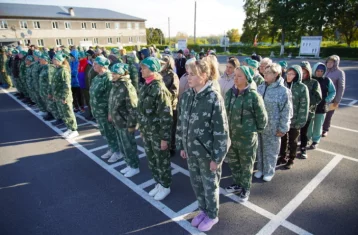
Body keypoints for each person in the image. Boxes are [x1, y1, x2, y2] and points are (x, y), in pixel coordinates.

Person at [176, 59, 230, 232]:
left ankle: (212, 215)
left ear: (204, 76)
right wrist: (182, 146)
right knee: (197, 184)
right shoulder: (187, 96)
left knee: (210, 186)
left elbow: (222, 132)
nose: (188, 77)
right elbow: (181, 123)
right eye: (188, 74)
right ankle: (203, 210)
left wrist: (217, 158)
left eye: (193, 74)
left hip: (208, 155)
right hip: (192, 152)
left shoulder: (214, 98)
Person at [225, 66, 267, 201]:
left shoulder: (254, 96)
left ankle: (245, 188)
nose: (235, 79)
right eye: (235, 76)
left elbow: (262, 119)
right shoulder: (229, 94)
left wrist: (252, 131)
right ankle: (237, 183)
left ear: (247, 79)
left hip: (247, 139)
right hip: (231, 137)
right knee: (234, 163)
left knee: (246, 165)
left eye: (239, 76)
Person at [137, 57, 173, 201]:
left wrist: (165, 138)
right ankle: (158, 182)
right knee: (152, 160)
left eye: (144, 68)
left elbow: (166, 116)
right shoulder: (146, 85)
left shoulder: (159, 88)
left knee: (161, 161)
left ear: (152, 69)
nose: (141, 70)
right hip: (148, 132)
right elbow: (142, 111)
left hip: (158, 134)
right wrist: (142, 130)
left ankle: (165, 185)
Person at [256, 63, 292, 181]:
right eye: (264, 73)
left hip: (273, 127)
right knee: (260, 149)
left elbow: (287, 111)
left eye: (268, 73)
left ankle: (269, 171)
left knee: (271, 151)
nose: (264, 75)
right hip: (260, 126)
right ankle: (260, 169)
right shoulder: (261, 87)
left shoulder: (283, 91)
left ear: (276, 74)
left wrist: (283, 128)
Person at [108, 63, 140, 177]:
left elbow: (133, 108)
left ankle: (134, 166)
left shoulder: (126, 86)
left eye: (115, 73)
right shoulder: (115, 85)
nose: (112, 75)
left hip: (126, 122)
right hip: (118, 122)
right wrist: (110, 113)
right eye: (112, 72)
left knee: (129, 146)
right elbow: (112, 101)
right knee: (122, 145)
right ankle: (129, 164)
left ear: (122, 73)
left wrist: (131, 125)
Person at [90, 56, 122, 163]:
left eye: (96, 64)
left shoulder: (108, 78)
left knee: (110, 132)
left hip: (104, 111)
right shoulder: (97, 77)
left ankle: (118, 152)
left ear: (103, 66)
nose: (93, 65)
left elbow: (111, 97)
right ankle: (112, 148)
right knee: (105, 132)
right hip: (98, 111)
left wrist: (110, 113)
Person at [277, 65, 309, 169]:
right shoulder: (283, 85)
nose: (289, 76)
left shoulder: (302, 88)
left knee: (293, 140)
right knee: (282, 138)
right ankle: (282, 156)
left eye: (292, 74)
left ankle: (291, 158)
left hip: (295, 120)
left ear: (297, 75)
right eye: (288, 73)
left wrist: (300, 121)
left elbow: (304, 106)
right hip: (283, 119)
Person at [308, 63, 336, 149]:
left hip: (322, 106)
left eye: (321, 71)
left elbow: (333, 91)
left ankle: (315, 141)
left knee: (318, 124)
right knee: (309, 124)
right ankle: (306, 139)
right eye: (318, 70)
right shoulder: (310, 79)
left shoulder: (327, 80)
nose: (319, 72)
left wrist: (327, 100)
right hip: (310, 106)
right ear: (314, 70)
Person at [51, 53, 79, 139]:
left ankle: (74, 130)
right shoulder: (58, 69)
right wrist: (55, 95)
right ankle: (69, 128)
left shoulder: (64, 70)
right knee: (63, 113)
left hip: (64, 96)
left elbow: (66, 85)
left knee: (68, 113)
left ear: (59, 61)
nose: (53, 61)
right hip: (59, 95)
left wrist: (65, 97)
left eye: (55, 59)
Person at [299, 61, 322, 158]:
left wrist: (305, 96)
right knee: (292, 133)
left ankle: (303, 149)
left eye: (305, 72)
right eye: (301, 72)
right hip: (294, 113)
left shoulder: (314, 82)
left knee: (304, 133)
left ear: (309, 72)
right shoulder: (295, 82)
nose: (303, 75)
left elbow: (318, 98)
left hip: (307, 113)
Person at [160, 56, 180, 156]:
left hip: (171, 106)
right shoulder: (159, 74)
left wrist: (167, 104)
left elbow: (174, 92)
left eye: (163, 63)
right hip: (161, 107)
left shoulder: (173, 75)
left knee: (171, 128)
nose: (161, 65)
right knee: (163, 127)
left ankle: (172, 147)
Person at [322, 55, 345, 137]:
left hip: (332, 98)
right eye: (328, 62)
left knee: (329, 115)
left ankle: (325, 129)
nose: (329, 64)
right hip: (322, 97)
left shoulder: (340, 72)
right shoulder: (324, 70)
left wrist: (337, 100)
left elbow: (341, 87)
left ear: (336, 63)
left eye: (331, 62)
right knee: (320, 113)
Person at [83, 50, 97, 121]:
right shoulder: (88, 64)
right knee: (89, 101)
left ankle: (94, 115)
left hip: (94, 86)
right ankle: (91, 114)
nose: (87, 57)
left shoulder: (95, 64)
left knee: (94, 102)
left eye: (88, 55)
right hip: (88, 85)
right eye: (87, 56)